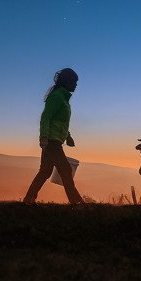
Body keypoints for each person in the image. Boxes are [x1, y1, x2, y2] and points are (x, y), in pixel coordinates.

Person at [23, 67, 85, 204]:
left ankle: (28, 199)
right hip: (52, 141)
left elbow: (60, 121)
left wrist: (68, 136)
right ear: (67, 82)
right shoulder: (57, 97)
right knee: (66, 170)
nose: (76, 85)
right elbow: (46, 117)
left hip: (54, 139)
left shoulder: (63, 98)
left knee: (45, 171)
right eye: (74, 82)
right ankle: (76, 202)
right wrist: (44, 137)